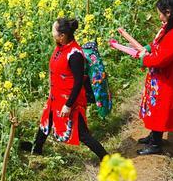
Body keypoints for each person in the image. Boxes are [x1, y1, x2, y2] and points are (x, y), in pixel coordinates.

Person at [21, 18, 108, 161]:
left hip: (70, 100)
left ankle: (106, 158)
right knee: (46, 121)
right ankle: (36, 148)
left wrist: (68, 105)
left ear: (62, 36)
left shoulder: (74, 54)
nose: (52, 33)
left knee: (82, 133)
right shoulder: (61, 47)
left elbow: (79, 82)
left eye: (53, 30)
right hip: (56, 97)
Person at [135, 0, 173, 155]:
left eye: (160, 13)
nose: (159, 16)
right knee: (155, 108)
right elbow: (158, 45)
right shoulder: (169, 27)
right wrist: (148, 47)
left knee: (161, 110)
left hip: (168, 81)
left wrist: (144, 59)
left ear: (168, 12)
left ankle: (155, 144)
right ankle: (153, 136)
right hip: (161, 78)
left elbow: (161, 59)